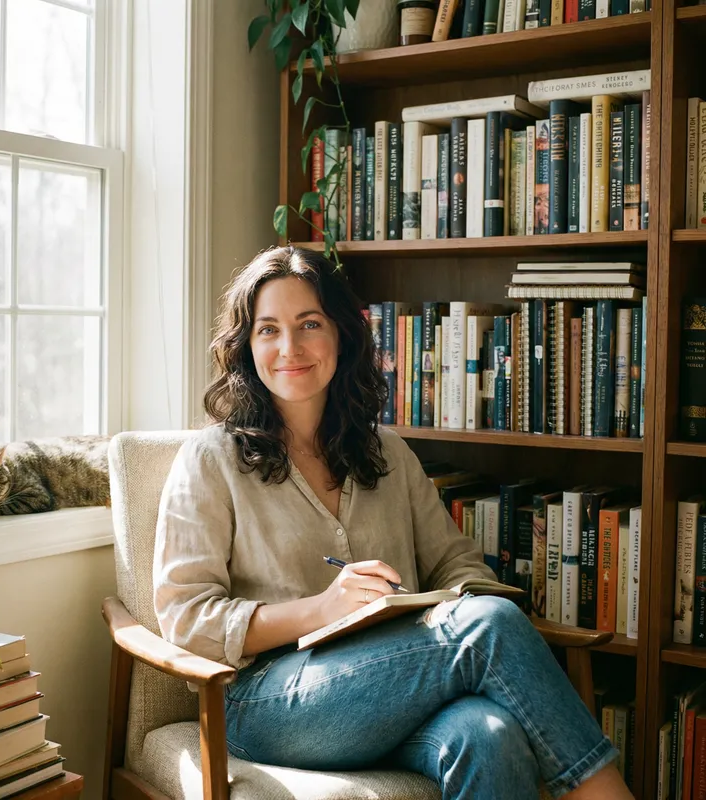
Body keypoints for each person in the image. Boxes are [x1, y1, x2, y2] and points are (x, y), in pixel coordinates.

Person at [153, 245, 632, 799]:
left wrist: (450, 607)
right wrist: (322, 609)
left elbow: (456, 562)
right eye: (268, 330)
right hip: (268, 703)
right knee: (491, 625)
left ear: (341, 335)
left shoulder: (387, 452)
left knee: (490, 734)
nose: (290, 347)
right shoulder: (211, 460)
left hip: (397, 682)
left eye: (310, 324)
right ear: (246, 345)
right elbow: (186, 619)